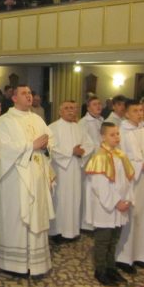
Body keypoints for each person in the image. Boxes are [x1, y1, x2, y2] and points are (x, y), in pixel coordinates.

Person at [0, 85, 55, 279]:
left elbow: (49, 143)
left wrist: (46, 147)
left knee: (36, 214)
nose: (29, 96)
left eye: (30, 93)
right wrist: (31, 146)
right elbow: (3, 149)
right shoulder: (5, 121)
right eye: (24, 93)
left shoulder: (37, 119)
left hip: (37, 178)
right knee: (16, 218)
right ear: (14, 98)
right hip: (15, 180)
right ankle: (13, 264)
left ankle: (36, 263)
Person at [85, 122, 134, 286]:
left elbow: (127, 180)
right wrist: (116, 202)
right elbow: (100, 186)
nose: (116, 137)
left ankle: (111, 268)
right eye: (112, 134)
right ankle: (100, 270)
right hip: (106, 207)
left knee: (114, 240)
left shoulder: (120, 155)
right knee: (103, 241)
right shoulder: (100, 157)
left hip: (120, 205)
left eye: (117, 134)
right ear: (103, 137)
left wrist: (127, 199)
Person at [115, 100, 144, 274]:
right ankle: (124, 258)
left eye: (141, 110)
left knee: (143, 216)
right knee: (130, 217)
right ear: (126, 113)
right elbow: (119, 158)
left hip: (143, 180)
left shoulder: (143, 131)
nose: (140, 113)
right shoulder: (121, 132)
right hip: (129, 180)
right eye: (135, 111)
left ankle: (140, 255)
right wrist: (140, 166)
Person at [49, 101, 94, 242]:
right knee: (60, 199)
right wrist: (70, 151)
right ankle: (57, 232)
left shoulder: (79, 128)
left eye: (73, 108)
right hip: (60, 170)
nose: (71, 111)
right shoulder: (53, 127)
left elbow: (90, 144)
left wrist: (82, 152)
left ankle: (72, 231)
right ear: (60, 111)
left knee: (75, 199)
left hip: (75, 169)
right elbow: (51, 148)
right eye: (67, 108)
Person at [78, 95, 104, 231]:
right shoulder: (83, 123)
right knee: (89, 193)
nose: (98, 106)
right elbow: (84, 143)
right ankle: (86, 224)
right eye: (94, 104)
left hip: (102, 162)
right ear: (88, 108)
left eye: (99, 104)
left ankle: (98, 221)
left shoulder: (102, 120)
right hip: (90, 162)